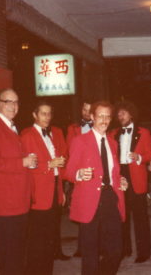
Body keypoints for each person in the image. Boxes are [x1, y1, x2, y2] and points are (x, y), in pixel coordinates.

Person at [65, 100, 128, 275]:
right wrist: (78, 174)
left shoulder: (113, 143)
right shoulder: (80, 141)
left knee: (116, 250)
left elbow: (113, 172)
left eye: (107, 116)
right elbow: (69, 171)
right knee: (90, 252)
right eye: (100, 115)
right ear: (92, 117)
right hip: (89, 200)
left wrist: (121, 180)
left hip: (110, 198)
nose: (104, 120)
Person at [0, 88, 37, 275]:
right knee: (10, 256)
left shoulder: (11, 127)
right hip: (6, 205)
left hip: (19, 203)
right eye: (8, 102)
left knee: (18, 253)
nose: (13, 106)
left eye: (16, 102)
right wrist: (22, 162)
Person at [20, 100, 68, 274]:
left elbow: (57, 168)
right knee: (37, 242)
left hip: (54, 190)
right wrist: (49, 164)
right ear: (34, 115)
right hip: (38, 195)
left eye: (49, 114)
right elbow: (26, 166)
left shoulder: (50, 135)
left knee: (49, 240)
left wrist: (61, 192)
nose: (47, 117)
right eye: (43, 113)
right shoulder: (27, 135)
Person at [110, 101, 151, 263]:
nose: (120, 116)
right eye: (119, 114)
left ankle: (144, 252)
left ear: (131, 114)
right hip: (120, 174)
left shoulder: (144, 132)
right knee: (122, 215)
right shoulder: (113, 133)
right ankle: (124, 249)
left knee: (140, 216)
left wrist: (139, 157)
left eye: (123, 113)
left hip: (136, 176)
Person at [66, 100, 93, 257]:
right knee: (82, 210)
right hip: (80, 172)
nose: (87, 112)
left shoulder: (100, 127)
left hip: (95, 170)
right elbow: (70, 149)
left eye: (90, 110)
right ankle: (82, 247)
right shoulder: (73, 128)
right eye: (84, 109)